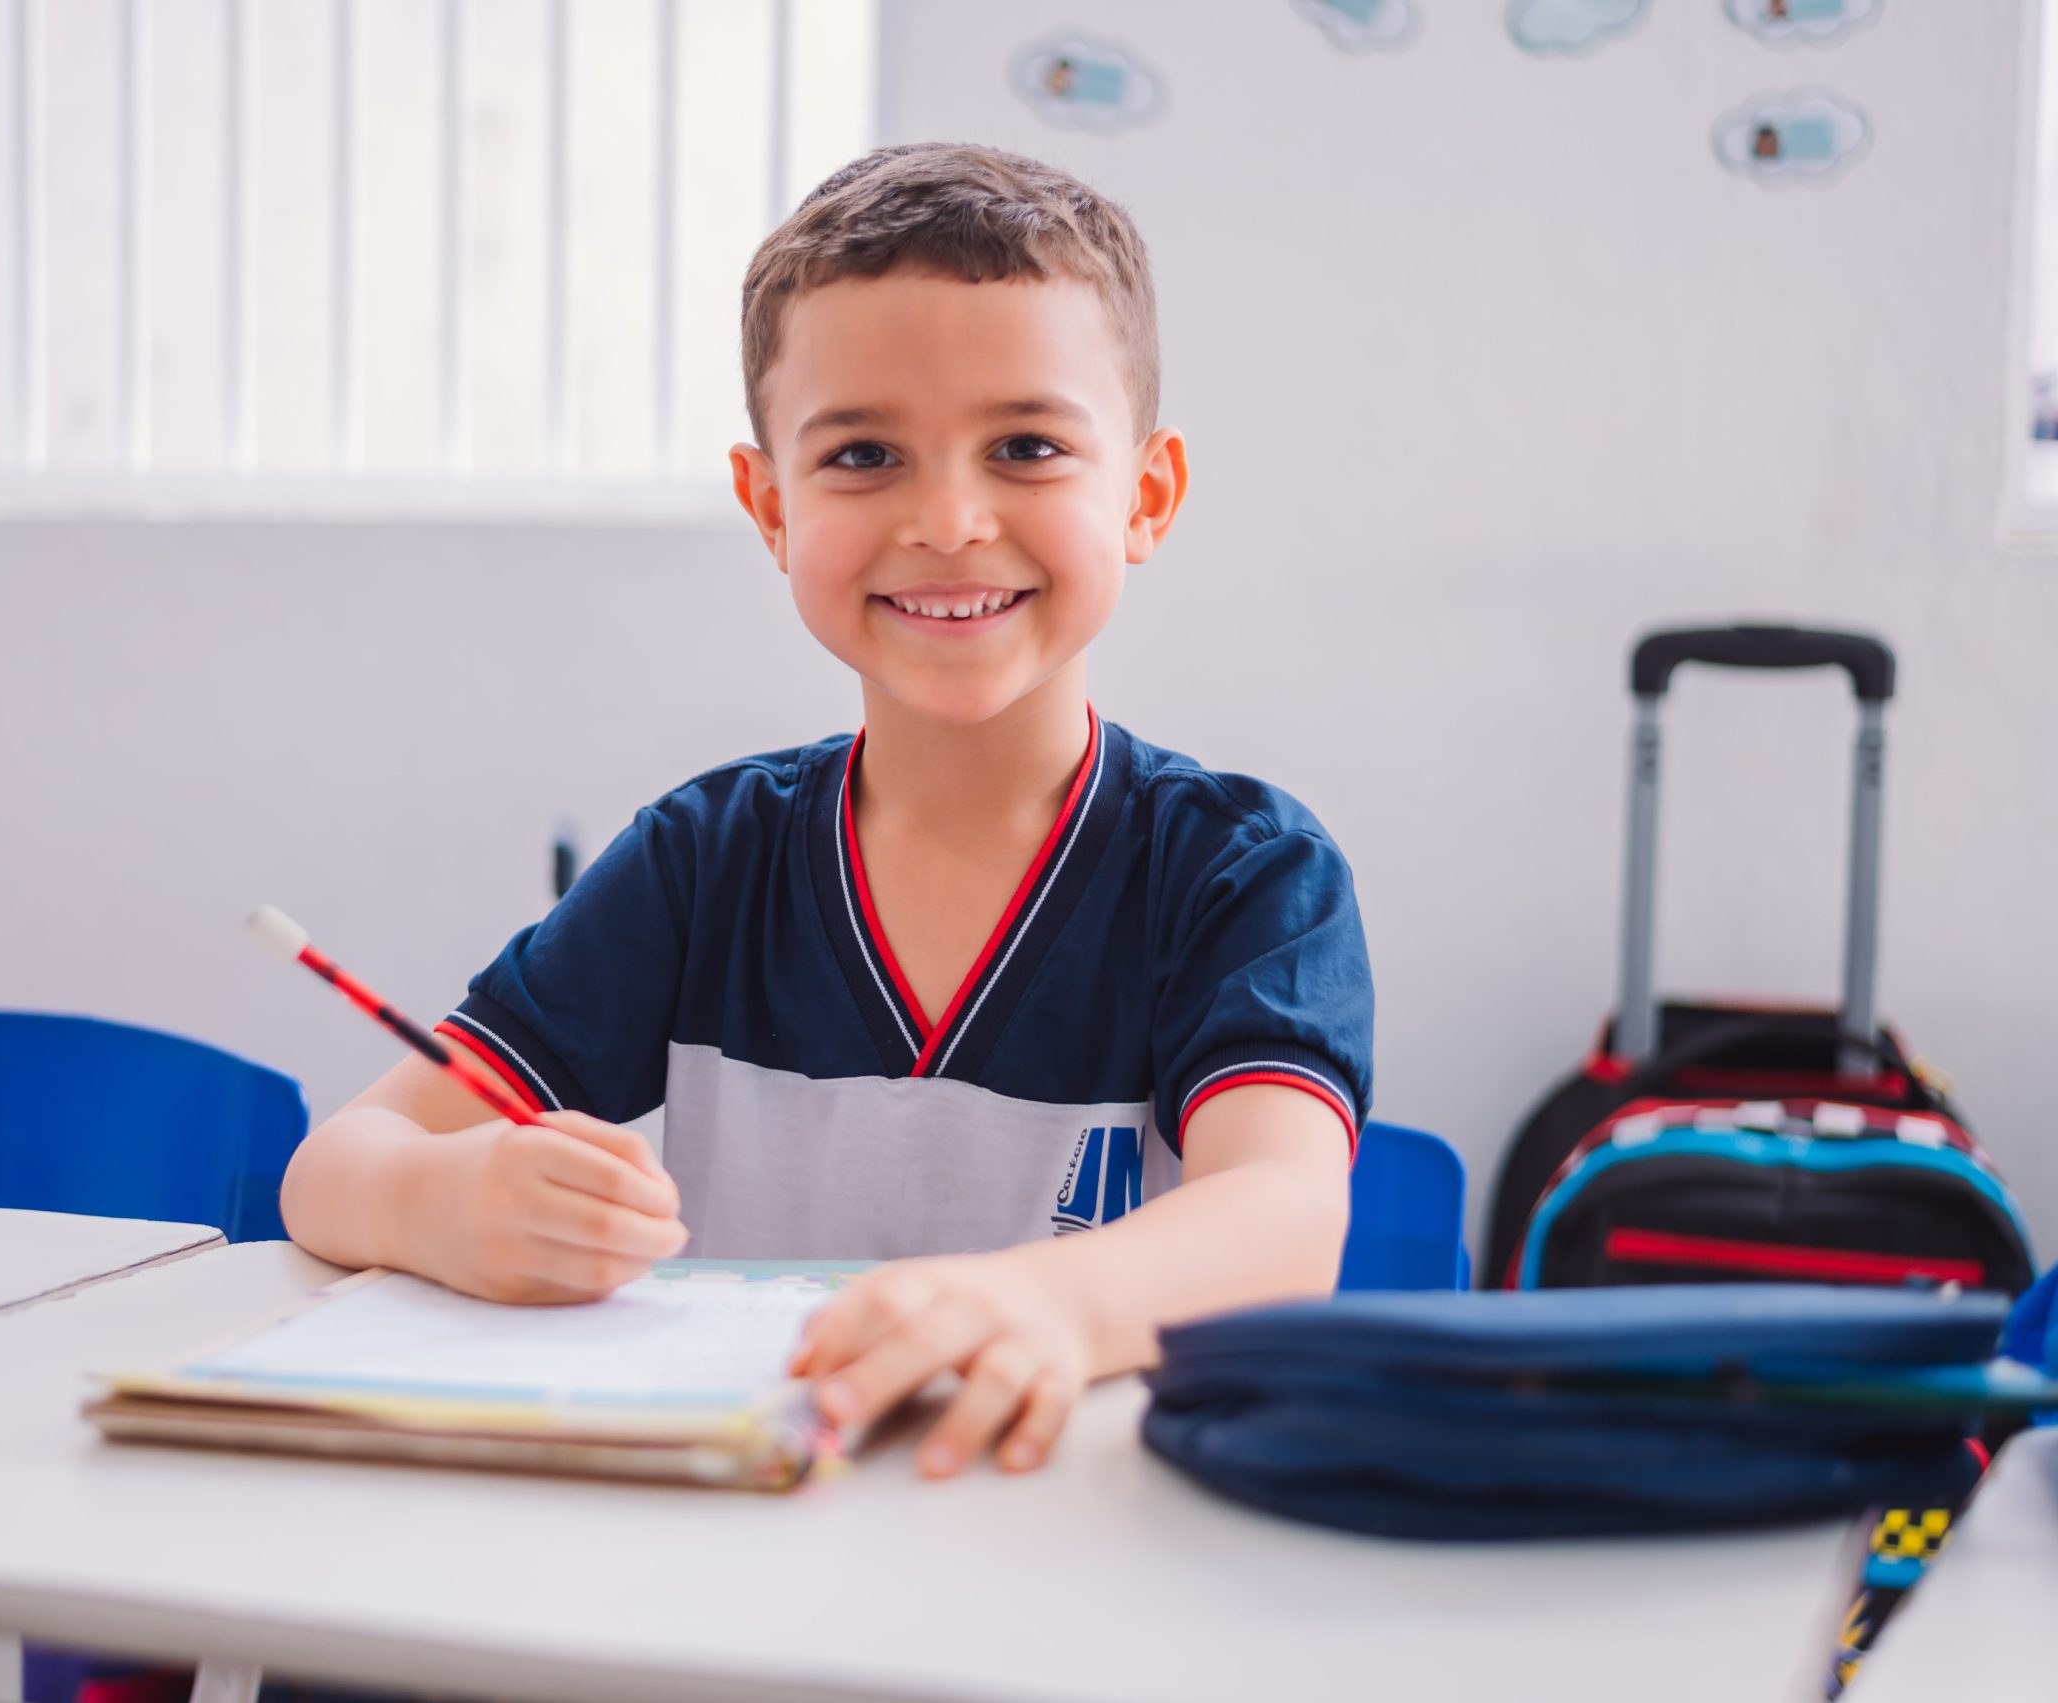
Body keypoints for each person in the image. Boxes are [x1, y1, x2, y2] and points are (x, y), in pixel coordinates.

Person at [281, 142, 1374, 1479]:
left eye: (1025, 445)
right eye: (864, 454)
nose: (951, 519)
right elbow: (336, 1165)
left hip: (1070, 1569)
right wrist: (444, 1199)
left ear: (1143, 495)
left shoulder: (1242, 874)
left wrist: (1042, 1304)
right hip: (738, 1564)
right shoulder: (701, 864)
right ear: (770, 505)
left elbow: (1282, 1217)